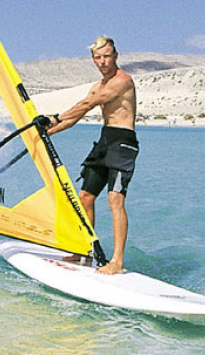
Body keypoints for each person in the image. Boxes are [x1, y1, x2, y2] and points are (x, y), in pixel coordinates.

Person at [46, 35, 138, 275]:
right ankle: (83, 248)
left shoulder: (123, 81)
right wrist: (48, 132)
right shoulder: (97, 85)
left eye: (107, 56)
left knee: (115, 199)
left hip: (123, 143)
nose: (103, 61)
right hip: (105, 140)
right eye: (98, 57)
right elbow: (76, 117)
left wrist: (55, 116)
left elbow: (87, 104)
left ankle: (116, 261)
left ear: (115, 56)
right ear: (93, 60)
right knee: (85, 196)